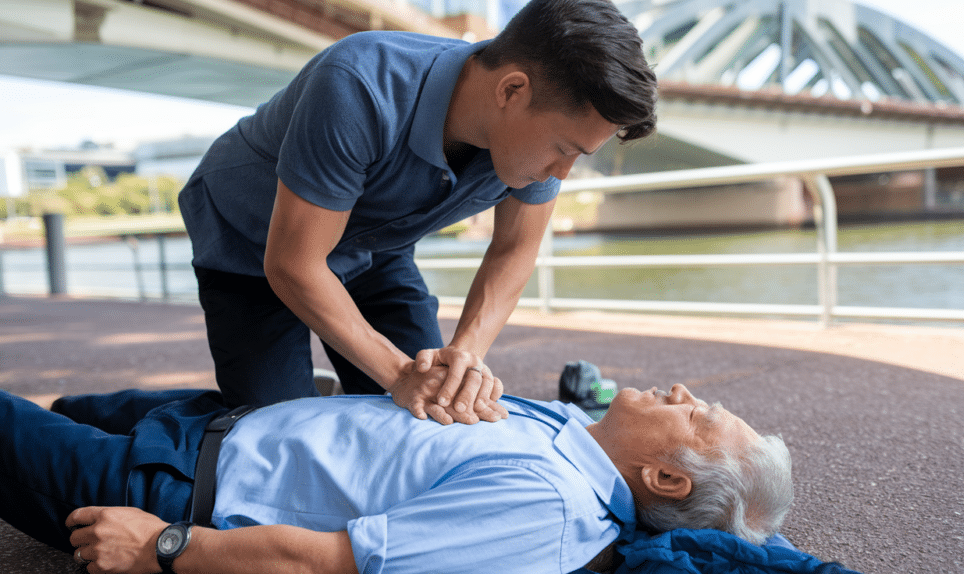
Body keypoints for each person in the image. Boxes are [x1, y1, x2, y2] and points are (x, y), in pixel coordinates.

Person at [176, 0, 659, 421]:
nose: (561, 174)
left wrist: (463, 360)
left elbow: (513, 249)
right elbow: (294, 265)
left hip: (375, 247)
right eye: (563, 148)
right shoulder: (359, 82)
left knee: (436, 409)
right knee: (275, 435)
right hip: (255, 241)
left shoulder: (532, 151)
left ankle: (329, 389)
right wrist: (395, 373)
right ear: (512, 91)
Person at [0, 380, 791, 574]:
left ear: (666, 478)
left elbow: (337, 563)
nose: (684, 394)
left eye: (698, 416)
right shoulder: (571, 428)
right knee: (64, 403)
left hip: (173, 488)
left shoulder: (546, 511)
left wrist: (165, 547)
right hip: (214, 421)